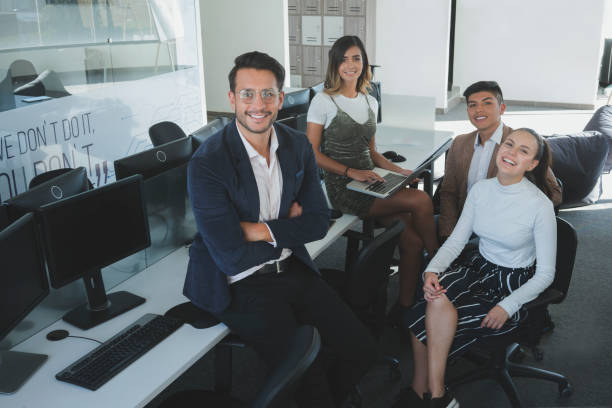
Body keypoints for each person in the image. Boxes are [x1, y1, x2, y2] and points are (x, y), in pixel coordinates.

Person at [183, 51, 377, 408]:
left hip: (292, 269)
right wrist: (288, 226)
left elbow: (318, 221)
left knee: (362, 352)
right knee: (307, 377)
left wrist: (257, 230)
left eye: (268, 94)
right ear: (232, 99)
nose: (258, 104)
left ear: (280, 98)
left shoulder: (297, 145)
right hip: (240, 285)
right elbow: (228, 253)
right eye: (247, 94)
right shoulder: (208, 162)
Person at [398, 128, 557, 408]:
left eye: (523, 150)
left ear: (532, 164)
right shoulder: (481, 189)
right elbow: (457, 240)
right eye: (509, 144)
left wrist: (508, 305)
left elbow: (546, 274)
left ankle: (428, 392)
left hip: (513, 283)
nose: (511, 152)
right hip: (479, 268)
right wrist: (432, 270)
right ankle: (433, 393)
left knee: (424, 319)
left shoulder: (539, 206)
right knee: (430, 300)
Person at [306, 35, 439, 309]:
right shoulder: (323, 101)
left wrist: (398, 171)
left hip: (370, 180)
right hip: (343, 189)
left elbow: (372, 153)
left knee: (411, 240)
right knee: (422, 200)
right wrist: (350, 171)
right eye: (344, 59)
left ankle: (404, 307)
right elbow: (311, 153)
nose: (350, 65)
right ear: (335, 64)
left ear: (364, 62)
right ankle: (438, 265)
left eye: (356, 58)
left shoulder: (370, 101)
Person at [437, 81, 562, 242]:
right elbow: (449, 192)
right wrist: (448, 233)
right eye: (472, 105)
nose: (479, 110)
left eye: (487, 103)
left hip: (503, 233)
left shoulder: (520, 143)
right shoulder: (459, 143)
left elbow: (555, 193)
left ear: (502, 108)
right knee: (414, 230)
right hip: (464, 223)